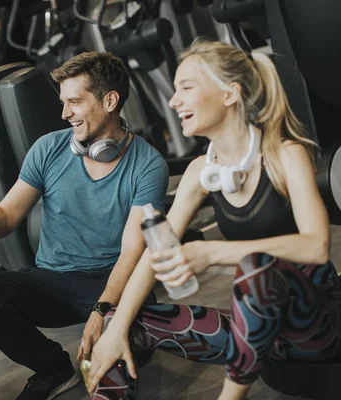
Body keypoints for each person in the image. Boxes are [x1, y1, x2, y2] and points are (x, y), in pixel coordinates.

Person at [86, 39, 341, 400]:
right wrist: (114, 325)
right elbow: (153, 255)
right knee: (122, 322)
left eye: (186, 88)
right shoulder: (200, 172)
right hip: (253, 329)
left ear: (229, 94)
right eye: (174, 91)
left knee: (258, 268)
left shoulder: (286, 154)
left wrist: (212, 253)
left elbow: (316, 246)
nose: (174, 101)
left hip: (316, 325)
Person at [0, 51, 170, 400]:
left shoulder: (148, 165)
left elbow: (133, 251)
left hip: (113, 281)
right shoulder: (49, 149)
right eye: (62, 102)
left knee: (133, 349)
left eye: (74, 101)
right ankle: (52, 368)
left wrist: (103, 310)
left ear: (110, 100)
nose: (64, 113)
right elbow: (3, 220)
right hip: (52, 280)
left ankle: (126, 331)